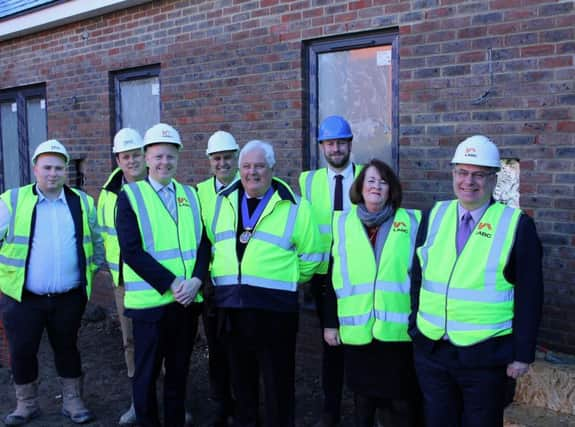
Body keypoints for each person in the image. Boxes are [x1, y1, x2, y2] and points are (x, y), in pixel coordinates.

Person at [409, 135, 544, 427]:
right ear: (453, 173)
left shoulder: (517, 225)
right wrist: (415, 329)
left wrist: (521, 355)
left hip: (485, 358)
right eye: (462, 172)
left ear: (494, 180)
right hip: (433, 352)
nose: (468, 181)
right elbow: (418, 277)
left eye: (478, 174)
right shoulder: (434, 215)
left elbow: (530, 296)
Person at [207, 140, 324, 427]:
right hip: (232, 308)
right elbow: (214, 246)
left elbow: (313, 256)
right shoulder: (224, 201)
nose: (252, 172)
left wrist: (285, 278)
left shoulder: (295, 204)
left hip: (275, 311)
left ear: (272, 168)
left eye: (259, 166)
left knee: (277, 382)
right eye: (246, 166)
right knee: (241, 381)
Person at [0, 139, 105, 425]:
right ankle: (26, 404)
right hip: (22, 297)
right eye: (47, 167)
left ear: (66, 171)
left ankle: (72, 401)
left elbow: (96, 243)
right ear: (35, 169)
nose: (53, 173)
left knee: (67, 347)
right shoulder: (12, 200)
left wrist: (89, 277)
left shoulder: (82, 202)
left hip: (68, 296)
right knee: (22, 350)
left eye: (59, 168)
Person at [115, 123, 209, 427]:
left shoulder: (191, 195)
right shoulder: (131, 195)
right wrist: (172, 283)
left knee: (179, 373)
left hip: (185, 303)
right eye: (157, 157)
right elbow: (131, 251)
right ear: (145, 158)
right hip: (150, 307)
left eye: (170, 156)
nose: (164, 163)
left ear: (178, 157)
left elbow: (203, 243)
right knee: (146, 375)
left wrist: (196, 279)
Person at [323, 159, 423, 427]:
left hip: (398, 333)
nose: (376, 186)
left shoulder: (412, 222)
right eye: (370, 180)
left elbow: (422, 279)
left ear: (391, 189)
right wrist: (331, 323)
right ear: (360, 187)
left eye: (383, 181)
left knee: (402, 402)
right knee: (363, 402)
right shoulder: (342, 225)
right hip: (358, 332)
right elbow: (334, 278)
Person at [298, 115, 362, 427]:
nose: (335, 148)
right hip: (324, 275)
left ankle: (365, 408)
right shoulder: (306, 181)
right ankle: (330, 410)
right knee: (331, 344)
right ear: (322, 146)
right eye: (330, 143)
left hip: (358, 273)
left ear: (350, 144)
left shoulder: (366, 176)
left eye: (341, 142)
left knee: (362, 342)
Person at [96, 128, 147, 425]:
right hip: (124, 282)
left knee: (163, 341)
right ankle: (138, 402)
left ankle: (169, 398)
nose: (132, 160)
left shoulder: (160, 186)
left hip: (158, 280)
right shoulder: (108, 194)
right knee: (130, 342)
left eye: (136, 154)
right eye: (126, 156)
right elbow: (105, 237)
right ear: (118, 159)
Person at [196, 130, 239, 426]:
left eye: (227, 157)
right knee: (216, 347)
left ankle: (243, 404)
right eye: (217, 158)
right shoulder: (199, 192)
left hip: (241, 285)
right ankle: (221, 402)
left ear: (236, 158)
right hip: (213, 289)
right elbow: (199, 241)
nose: (222, 163)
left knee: (242, 349)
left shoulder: (249, 186)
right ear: (209, 161)